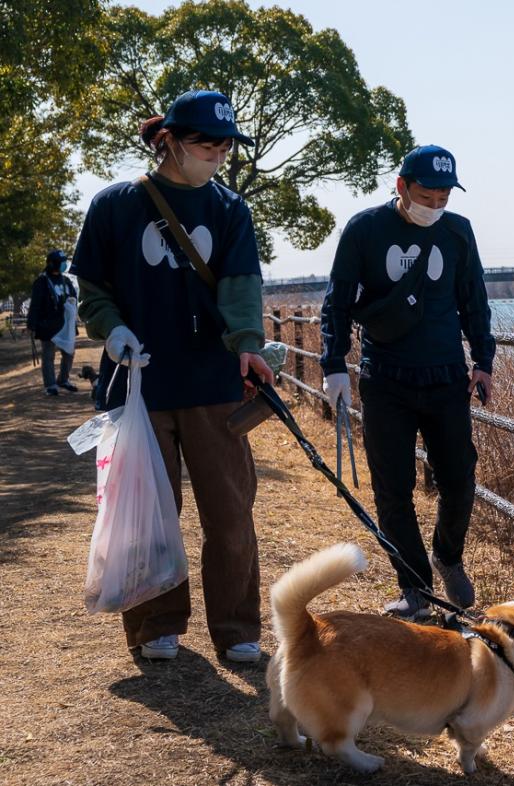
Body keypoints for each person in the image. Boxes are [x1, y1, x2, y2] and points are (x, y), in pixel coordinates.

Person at [73, 89, 274, 662]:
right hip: (138, 386)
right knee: (146, 514)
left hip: (213, 386)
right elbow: (92, 288)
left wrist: (247, 346)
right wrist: (110, 328)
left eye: (224, 145)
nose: (216, 154)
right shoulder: (114, 204)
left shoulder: (231, 210)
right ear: (169, 141)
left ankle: (238, 630)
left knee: (231, 514)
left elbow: (240, 290)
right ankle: (155, 623)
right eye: (204, 143)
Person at [320, 144, 495, 620]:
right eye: (426, 195)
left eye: (444, 198)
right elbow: (336, 300)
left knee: (459, 479)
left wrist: (483, 358)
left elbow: (473, 296)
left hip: (445, 378)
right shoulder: (365, 229)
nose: (435, 206)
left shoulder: (458, 233)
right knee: (392, 488)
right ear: (401, 186)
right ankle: (415, 587)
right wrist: (333, 362)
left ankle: (447, 555)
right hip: (386, 378)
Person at [26, 249, 79, 396]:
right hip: (47, 325)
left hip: (66, 325)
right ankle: (50, 385)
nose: (64, 265)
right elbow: (35, 305)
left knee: (69, 353)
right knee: (48, 356)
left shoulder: (66, 281)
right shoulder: (41, 282)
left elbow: (74, 298)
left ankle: (63, 379)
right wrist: (31, 325)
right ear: (52, 264)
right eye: (61, 263)